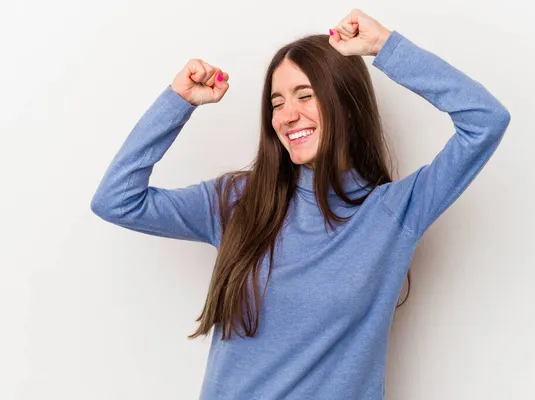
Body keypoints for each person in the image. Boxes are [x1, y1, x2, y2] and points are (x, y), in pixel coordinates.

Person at [91, 9, 510, 400]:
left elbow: (485, 121)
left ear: (343, 102)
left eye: (305, 95)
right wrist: (177, 102)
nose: (287, 115)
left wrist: (385, 47)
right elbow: (116, 200)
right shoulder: (238, 202)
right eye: (277, 102)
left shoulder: (393, 212)